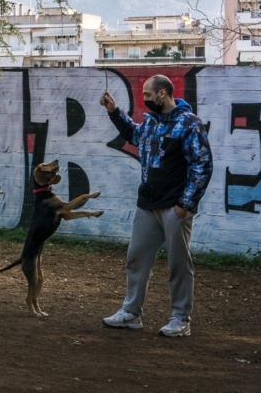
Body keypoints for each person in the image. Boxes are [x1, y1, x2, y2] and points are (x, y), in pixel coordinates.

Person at [99, 74, 213, 338]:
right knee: (136, 259)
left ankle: (181, 319)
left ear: (162, 93)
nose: (145, 100)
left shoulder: (189, 124)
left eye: (148, 95)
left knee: (179, 264)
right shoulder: (151, 122)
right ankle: (131, 313)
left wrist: (185, 204)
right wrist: (114, 111)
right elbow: (134, 135)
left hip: (175, 207)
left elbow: (202, 165)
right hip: (147, 204)